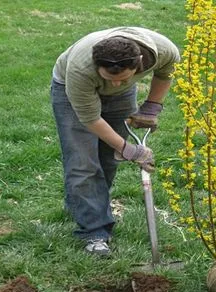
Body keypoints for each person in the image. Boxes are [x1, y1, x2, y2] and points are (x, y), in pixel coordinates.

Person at [50, 27, 180, 256]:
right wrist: (128, 149)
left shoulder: (163, 50)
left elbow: (165, 73)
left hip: (122, 98)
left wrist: (151, 107)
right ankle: (94, 232)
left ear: (139, 63)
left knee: (108, 159)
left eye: (124, 78)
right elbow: (90, 119)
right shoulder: (81, 70)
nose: (116, 83)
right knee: (83, 163)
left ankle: (87, 207)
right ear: (96, 65)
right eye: (110, 78)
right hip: (71, 92)